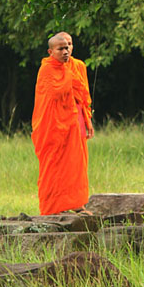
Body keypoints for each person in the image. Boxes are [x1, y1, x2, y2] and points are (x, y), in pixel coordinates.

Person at [31, 34, 93, 216]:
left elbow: (84, 96)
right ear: (51, 52)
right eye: (61, 49)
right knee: (54, 166)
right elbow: (53, 94)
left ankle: (78, 205)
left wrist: (87, 120)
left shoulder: (76, 66)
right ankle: (52, 208)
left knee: (77, 163)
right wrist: (67, 72)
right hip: (53, 127)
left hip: (75, 121)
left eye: (68, 47)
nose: (66, 51)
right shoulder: (47, 69)